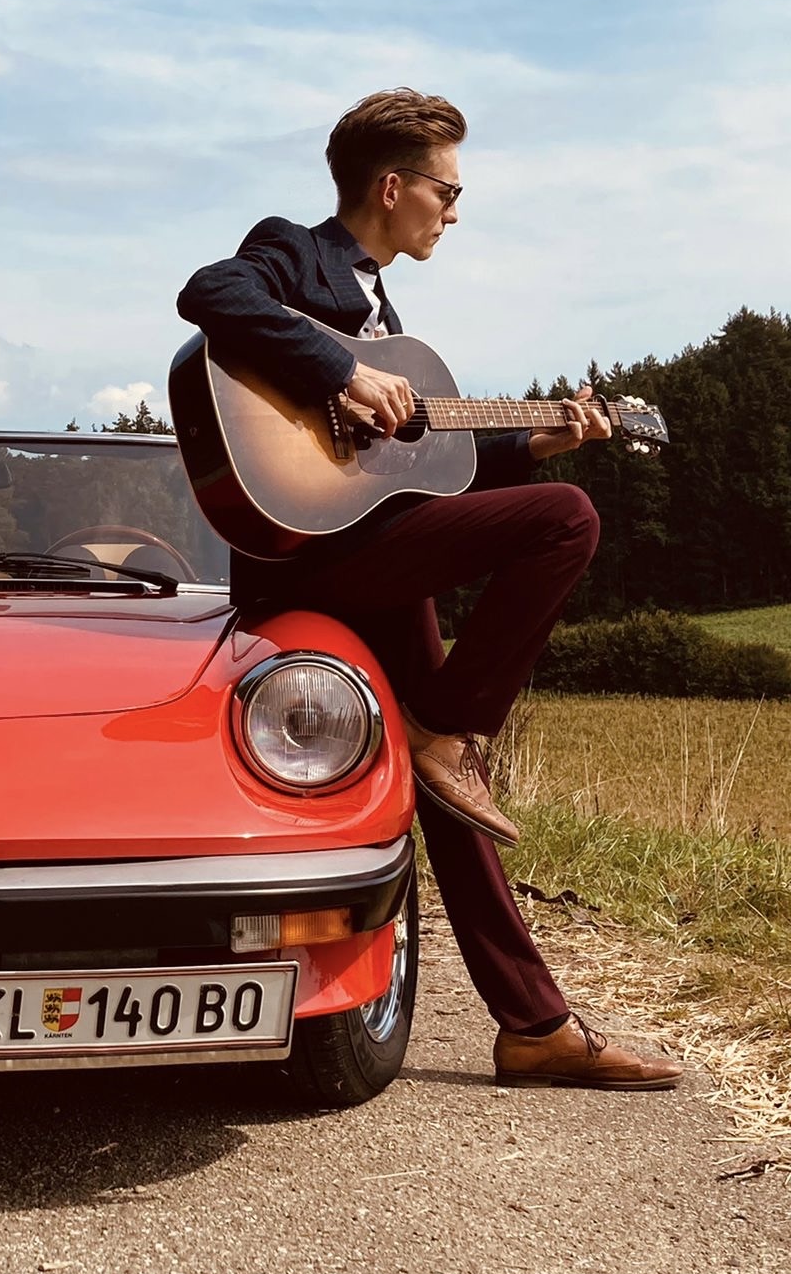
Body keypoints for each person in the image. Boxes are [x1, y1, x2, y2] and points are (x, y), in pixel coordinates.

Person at [175, 88, 683, 1090]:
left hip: (375, 552)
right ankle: (450, 728)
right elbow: (207, 293)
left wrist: (534, 442)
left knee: (453, 794)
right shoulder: (297, 255)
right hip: (306, 557)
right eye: (448, 191)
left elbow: (418, 476)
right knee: (567, 521)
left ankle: (534, 1025)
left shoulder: (386, 312)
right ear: (394, 185)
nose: (455, 211)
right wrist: (339, 372)